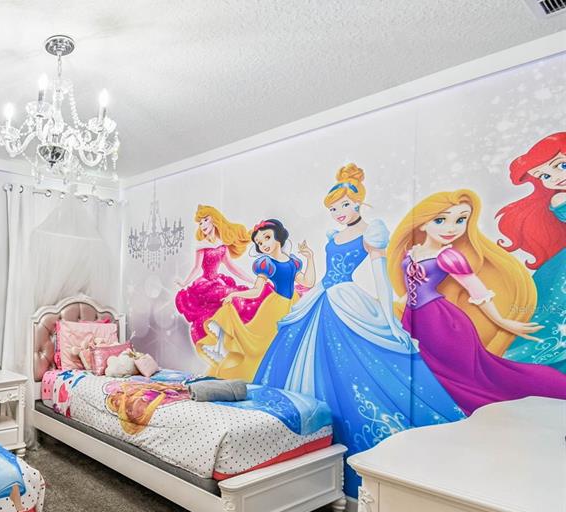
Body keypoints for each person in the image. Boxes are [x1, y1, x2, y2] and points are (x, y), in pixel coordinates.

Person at [254, 165, 463, 492]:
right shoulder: (333, 235)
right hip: (322, 297)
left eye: (345, 206)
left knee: (353, 373)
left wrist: (390, 320)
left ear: (359, 203)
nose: (339, 213)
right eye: (333, 208)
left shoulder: (372, 233)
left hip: (345, 300)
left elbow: (381, 278)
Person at [388, 189, 566, 414]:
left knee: (454, 373)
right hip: (415, 319)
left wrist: (501, 321)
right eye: (440, 220)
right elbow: (410, 290)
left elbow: (477, 290)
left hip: (442, 323)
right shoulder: (412, 252)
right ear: (422, 224)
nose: (451, 228)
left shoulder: (449, 256)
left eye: (460, 220)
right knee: (429, 368)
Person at [198, 219, 312, 380]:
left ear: (278, 236)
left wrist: (310, 258)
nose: (263, 244)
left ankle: (276, 379)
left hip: (292, 304)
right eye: (259, 242)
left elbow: (308, 282)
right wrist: (234, 295)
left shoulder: (293, 262)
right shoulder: (266, 264)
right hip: (275, 307)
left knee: (285, 345)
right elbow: (256, 291)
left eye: (267, 237)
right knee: (263, 344)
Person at [496, 132, 566, 372]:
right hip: (561, 273)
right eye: (545, 175)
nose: (555, 178)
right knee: (551, 319)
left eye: (561, 166)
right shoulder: (560, 199)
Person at [175, 205, 270, 346]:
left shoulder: (222, 245)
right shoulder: (201, 245)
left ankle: (239, 335)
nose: (202, 225)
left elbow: (232, 267)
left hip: (218, 282)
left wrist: (252, 281)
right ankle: (225, 337)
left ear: (214, 220)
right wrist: (184, 283)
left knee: (240, 296)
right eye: (200, 223)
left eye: (205, 220)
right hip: (205, 284)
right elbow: (196, 268)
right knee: (232, 297)